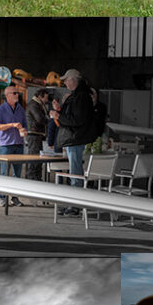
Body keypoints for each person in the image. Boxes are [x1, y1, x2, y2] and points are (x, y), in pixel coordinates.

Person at [51, 69, 95, 215]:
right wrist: (60, 110)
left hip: (75, 139)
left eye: (66, 80)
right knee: (75, 173)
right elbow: (74, 116)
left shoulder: (80, 97)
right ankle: (73, 204)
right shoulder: (79, 95)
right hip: (74, 139)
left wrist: (58, 115)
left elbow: (76, 120)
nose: (64, 82)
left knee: (76, 174)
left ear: (73, 80)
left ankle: (75, 206)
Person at [0, 86, 27, 207]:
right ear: (7, 95)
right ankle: (3, 197)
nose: (17, 95)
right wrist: (12, 125)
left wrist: (25, 130)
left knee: (17, 174)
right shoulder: (1, 109)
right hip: (6, 145)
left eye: (18, 93)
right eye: (15, 93)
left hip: (19, 144)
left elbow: (25, 125)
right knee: (4, 173)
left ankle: (14, 197)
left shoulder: (21, 109)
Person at [24, 88, 50, 180]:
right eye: (46, 98)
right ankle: (32, 178)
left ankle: (36, 177)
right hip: (33, 134)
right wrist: (49, 118)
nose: (47, 100)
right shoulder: (34, 104)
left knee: (37, 157)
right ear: (40, 96)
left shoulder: (37, 104)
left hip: (37, 134)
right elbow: (39, 119)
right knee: (33, 157)